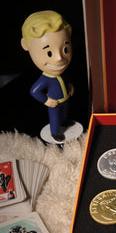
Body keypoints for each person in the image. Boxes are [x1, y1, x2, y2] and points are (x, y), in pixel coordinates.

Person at [21, 10, 75, 142]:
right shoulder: (45, 79)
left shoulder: (62, 74)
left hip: (65, 99)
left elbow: (65, 79)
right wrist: (46, 100)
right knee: (54, 117)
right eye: (49, 53)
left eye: (65, 49)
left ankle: (64, 122)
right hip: (54, 103)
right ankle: (55, 132)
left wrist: (69, 85)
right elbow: (34, 91)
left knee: (64, 113)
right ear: (25, 45)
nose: (59, 58)